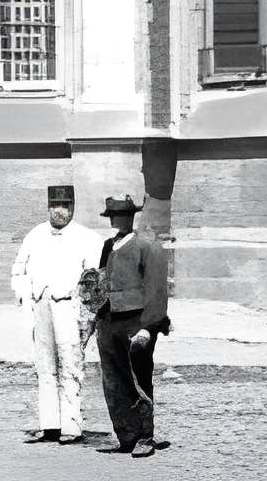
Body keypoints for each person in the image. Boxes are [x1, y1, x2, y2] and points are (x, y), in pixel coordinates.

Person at [9, 182, 107, 443]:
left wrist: (87, 317)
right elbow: (18, 271)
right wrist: (26, 296)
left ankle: (71, 426)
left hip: (70, 308)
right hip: (40, 307)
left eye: (65, 205)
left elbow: (96, 281)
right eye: (55, 205)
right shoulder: (35, 235)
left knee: (71, 366)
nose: (59, 211)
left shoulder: (87, 238)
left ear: (73, 207)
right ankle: (49, 424)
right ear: (48, 206)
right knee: (45, 366)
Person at [91, 191, 171, 456]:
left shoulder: (148, 246)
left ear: (132, 217)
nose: (118, 221)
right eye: (114, 216)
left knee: (139, 377)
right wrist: (93, 317)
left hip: (136, 322)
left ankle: (145, 437)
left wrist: (149, 328)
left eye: (123, 216)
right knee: (114, 380)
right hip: (108, 321)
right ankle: (125, 434)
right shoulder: (107, 246)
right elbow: (100, 283)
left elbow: (157, 291)